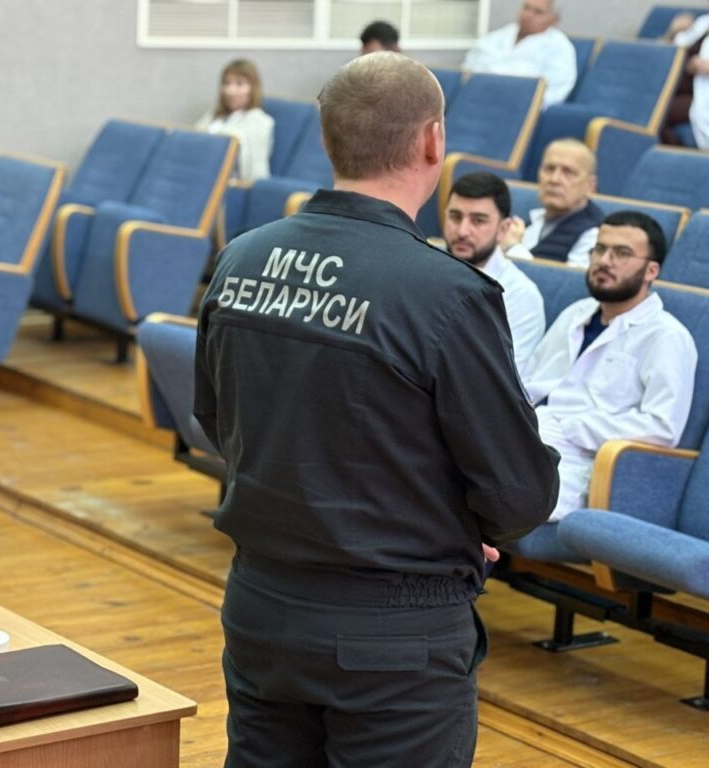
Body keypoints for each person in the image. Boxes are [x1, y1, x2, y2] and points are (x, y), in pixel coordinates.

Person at [195, 52, 559, 768]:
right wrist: (449, 523)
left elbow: (217, 421)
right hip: (391, 635)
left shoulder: (241, 259)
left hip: (262, 607)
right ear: (432, 141)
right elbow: (518, 495)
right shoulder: (446, 294)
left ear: (327, 137)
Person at [523, 211, 697, 522]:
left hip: (582, 462)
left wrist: (571, 426)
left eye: (621, 253)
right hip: (526, 435)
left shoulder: (667, 336)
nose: (605, 261)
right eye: (600, 249)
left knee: (486, 497)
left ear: (651, 270)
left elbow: (662, 428)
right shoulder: (575, 313)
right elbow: (530, 382)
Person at [444, 172, 545, 370]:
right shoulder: (423, 269)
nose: (462, 231)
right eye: (455, 217)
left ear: (503, 229)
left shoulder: (520, 296)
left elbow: (503, 378)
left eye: (478, 221)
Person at [504, 138, 602, 267]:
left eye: (568, 172)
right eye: (549, 169)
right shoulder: (531, 221)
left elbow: (559, 279)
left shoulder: (595, 234)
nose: (554, 179)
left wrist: (512, 248)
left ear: (590, 186)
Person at [463, 0, 576, 108]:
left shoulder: (559, 47)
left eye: (538, 12)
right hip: (476, 100)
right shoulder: (496, 37)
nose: (528, 15)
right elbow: (467, 70)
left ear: (554, 20)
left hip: (518, 108)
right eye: (526, 8)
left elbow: (555, 91)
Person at [196, 59, 275, 182]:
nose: (231, 91)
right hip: (201, 174)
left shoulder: (261, 121)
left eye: (239, 84)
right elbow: (194, 139)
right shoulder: (215, 114)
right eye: (227, 83)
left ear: (253, 88)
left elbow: (257, 173)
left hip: (230, 183)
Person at [662, 1, 709, 152]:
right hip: (670, 88)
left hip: (705, 95)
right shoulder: (703, 22)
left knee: (654, 112)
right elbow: (663, 53)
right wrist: (672, 32)